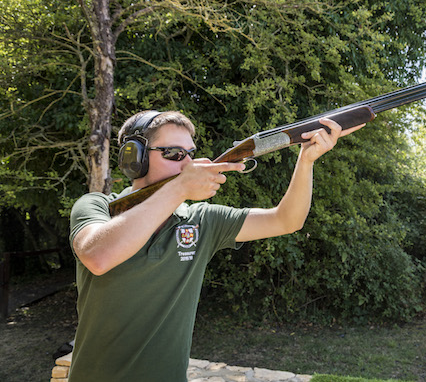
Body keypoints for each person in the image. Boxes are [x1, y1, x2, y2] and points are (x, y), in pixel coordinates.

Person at [68, 110, 363, 382]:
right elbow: (99, 256)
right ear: (135, 158)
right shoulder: (97, 207)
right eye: (173, 153)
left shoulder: (200, 220)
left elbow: (286, 220)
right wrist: (180, 188)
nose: (187, 163)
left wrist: (306, 160)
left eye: (190, 154)